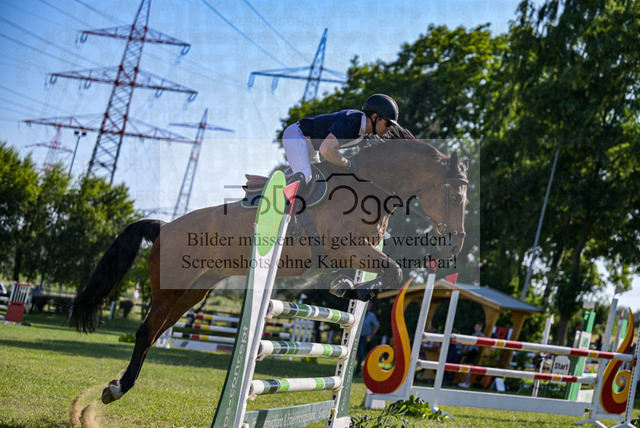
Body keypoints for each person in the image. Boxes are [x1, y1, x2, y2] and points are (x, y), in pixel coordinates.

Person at [282, 94, 400, 195]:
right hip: (298, 135)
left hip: (311, 146)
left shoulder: (367, 135)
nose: (390, 129)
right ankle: (281, 204)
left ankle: (295, 203)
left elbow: (365, 161)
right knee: (305, 175)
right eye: (388, 123)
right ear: (375, 117)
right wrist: (348, 163)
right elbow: (326, 150)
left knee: (318, 180)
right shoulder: (352, 121)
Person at [355, 304, 380, 376]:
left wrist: (371, 334)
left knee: (361, 354)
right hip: (355, 337)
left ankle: (357, 371)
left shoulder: (372, 316)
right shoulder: (358, 314)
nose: (367, 308)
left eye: (369, 306)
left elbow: (377, 325)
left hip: (364, 337)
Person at [459, 322, 486, 388]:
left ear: (481, 328)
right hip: (470, 351)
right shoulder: (473, 334)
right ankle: (466, 382)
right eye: (476, 326)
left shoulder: (480, 334)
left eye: (478, 327)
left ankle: (467, 382)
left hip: (473, 351)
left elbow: (486, 338)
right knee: (465, 366)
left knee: (468, 366)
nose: (477, 328)